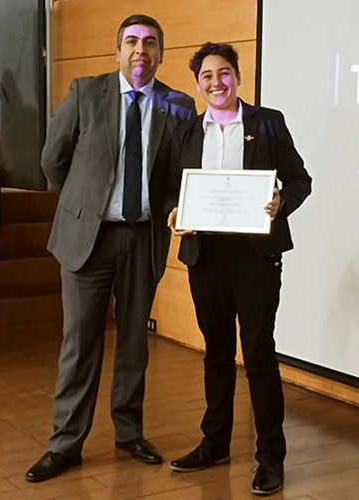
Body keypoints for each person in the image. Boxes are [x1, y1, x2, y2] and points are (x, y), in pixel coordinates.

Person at [25, 14, 197, 483]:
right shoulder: (86, 91)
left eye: (150, 43)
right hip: (90, 238)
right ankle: (65, 444)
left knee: (135, 344)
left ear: (161, 53)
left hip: (143, 238)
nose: (141, 50)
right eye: (132, 42)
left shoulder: (177, 106)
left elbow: (176, 177)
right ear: (117, 51)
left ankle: (129, 432)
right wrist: (84, 205)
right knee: (80, 344)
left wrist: (171, 208)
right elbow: (51, 159)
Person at [166, 42, 312, 496]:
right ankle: (215, 444)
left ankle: (270, 457)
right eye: (207, 75)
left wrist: (279, 202)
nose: (217, 83)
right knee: (215, 353)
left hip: (255, 259)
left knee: (259, 354)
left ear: (238, 77)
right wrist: (176, 211)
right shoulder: (189, 130)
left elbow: (300, 180)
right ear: (198, 83)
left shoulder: (268, 121)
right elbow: (174, 188)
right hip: (205, 257)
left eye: (225, 73)